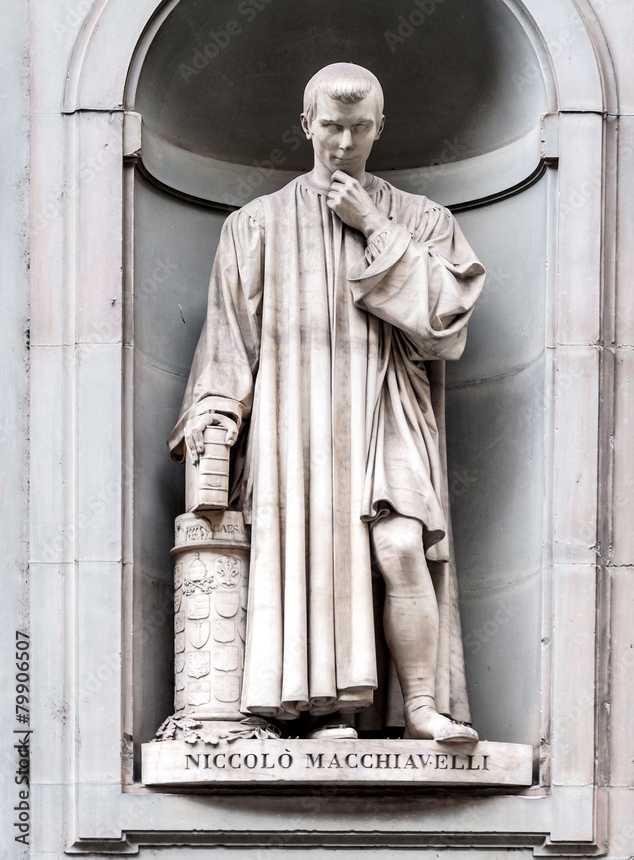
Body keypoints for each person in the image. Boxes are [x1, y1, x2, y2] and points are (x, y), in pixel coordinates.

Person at [168, 63, 485, 742]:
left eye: (360, 128)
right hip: (296, 423)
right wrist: (215, 417)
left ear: (380, 127)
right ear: (306, 124)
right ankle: (326, 711)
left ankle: (424, 706)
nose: (345, 142)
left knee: (402, 546)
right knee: (316, 557)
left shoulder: (423, 219)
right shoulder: (256, 225)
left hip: (388, 405)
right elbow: (229, 341)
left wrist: (374, 225)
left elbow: (442, 322)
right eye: (333, 127)